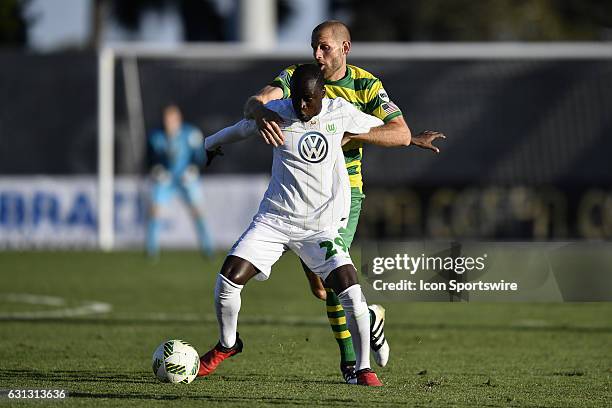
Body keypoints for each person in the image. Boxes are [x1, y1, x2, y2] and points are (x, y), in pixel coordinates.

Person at [243, 20, 445, 383]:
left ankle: (352, 363)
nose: (317, 55)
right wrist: (259, 112)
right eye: (313, 48)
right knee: (321, 289)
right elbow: (256, 100)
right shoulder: (297, 77)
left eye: (324, 48)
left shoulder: (367, 84)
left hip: (343, 194)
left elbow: (399, 132)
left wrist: (344, 135)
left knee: (337, 278)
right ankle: (371, 319)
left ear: (345, 48)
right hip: (301, 198)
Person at [197, 64, 385, 386]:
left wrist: (412, 139)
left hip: (319, 228)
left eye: (308, 100)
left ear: (323, 95)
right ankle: (228, 344)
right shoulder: (278, 113)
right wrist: (210, 143)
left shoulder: (341, 112)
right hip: (275, 221)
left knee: (349, 291)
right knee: (227, 281)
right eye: (297, 99)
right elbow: (241, 128)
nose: (301, 107)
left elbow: (382, 127)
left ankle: (362, 369)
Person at [146, 104, 213, 258]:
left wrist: (193, 169)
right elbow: (150, 158)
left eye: (172, 118)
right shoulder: (156, 136)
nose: (169, 122)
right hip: (166, 180)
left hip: (185, 180)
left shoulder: (191, 134)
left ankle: (208, 248)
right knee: (155, 210)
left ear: (179, 119)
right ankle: (151, 251)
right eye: (166, 118)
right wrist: (156, 169)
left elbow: (200, 157)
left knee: (197, 211)